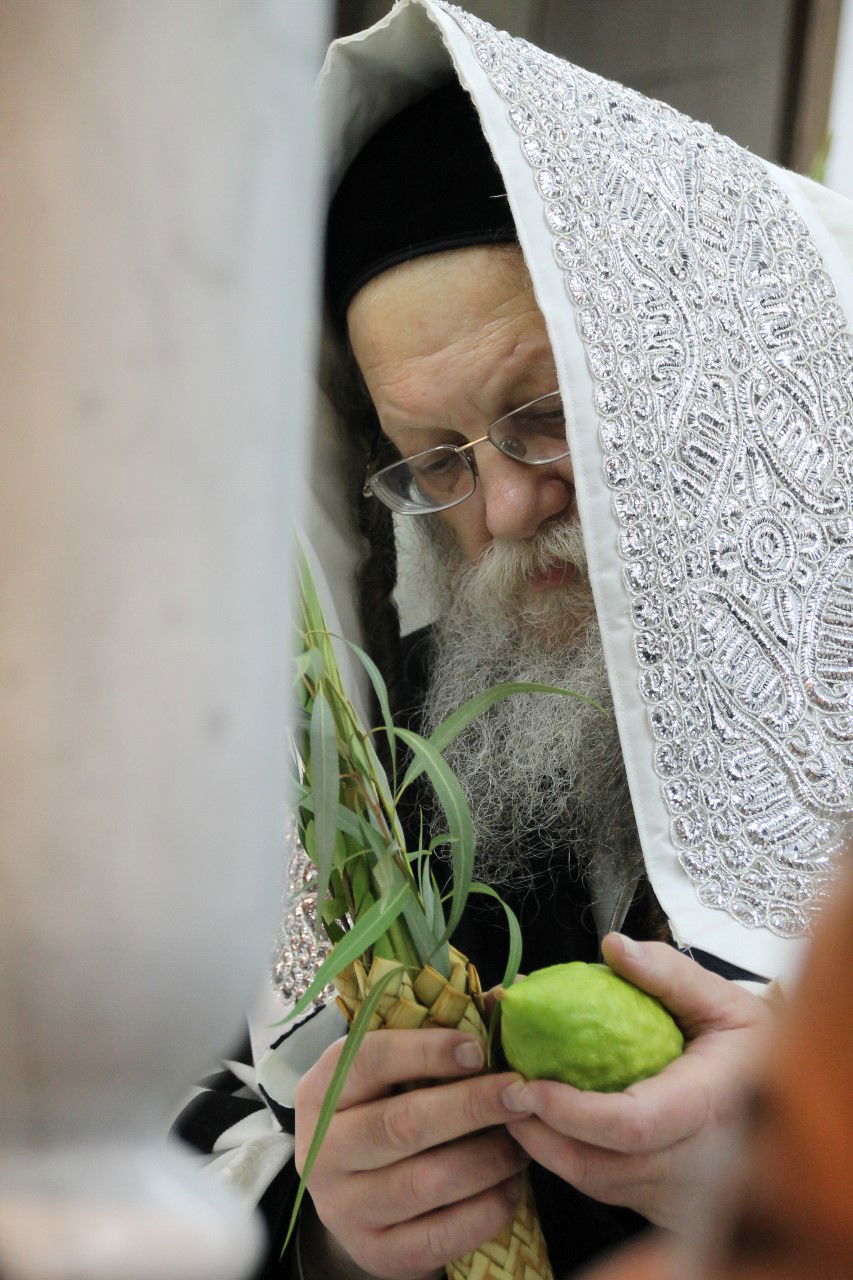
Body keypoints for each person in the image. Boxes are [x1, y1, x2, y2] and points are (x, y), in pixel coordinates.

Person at [172, 4, 853, 1278]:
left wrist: (815, 1171)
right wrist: (330, 1223)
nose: (498, 507)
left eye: (542, 413)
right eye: (432, 460)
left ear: (680, 367)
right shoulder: (387, 759)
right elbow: (208, 1118)